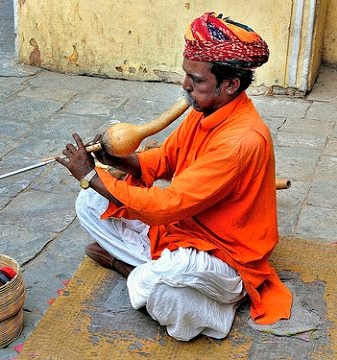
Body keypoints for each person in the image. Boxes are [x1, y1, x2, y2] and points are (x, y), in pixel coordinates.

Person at [56, 12, 292, 341]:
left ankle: (131, 268)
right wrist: (117, 159)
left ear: (230, 84)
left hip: (226, 256)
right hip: (184, 231)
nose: (185, 86)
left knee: (167, 293)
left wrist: (90, 174)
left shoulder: (241, 141)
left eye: (196, 80)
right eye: (186, 76)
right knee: (89, 203)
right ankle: (150, 272)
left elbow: (169, 204)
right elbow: (165, 159)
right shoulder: (206, 111)